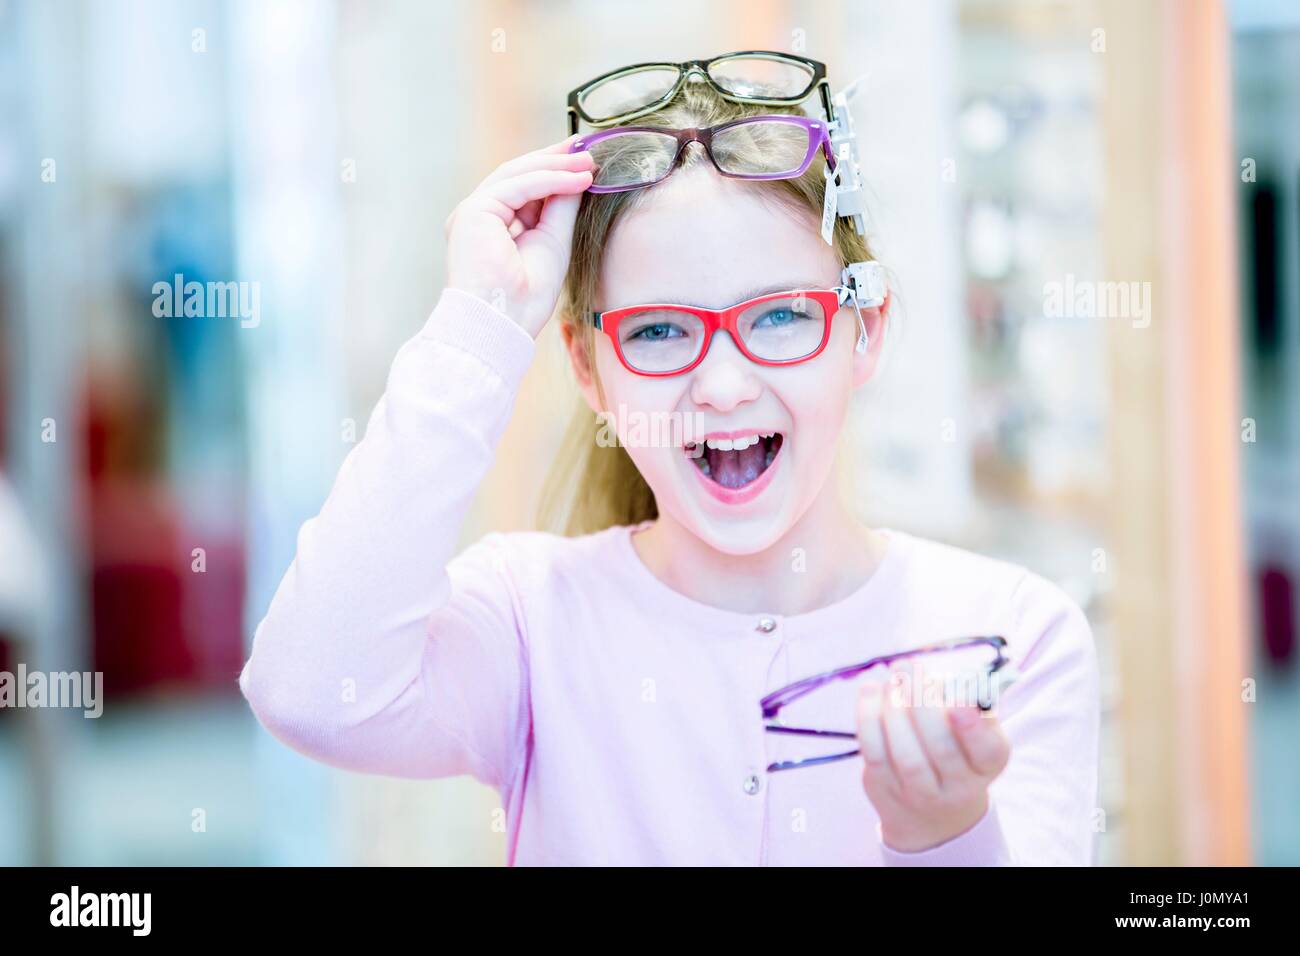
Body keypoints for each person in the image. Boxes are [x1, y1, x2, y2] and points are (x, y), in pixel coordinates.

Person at [238, 83, 1100, 866]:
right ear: (586, 366)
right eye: (656, 332)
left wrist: (943, 840)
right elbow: (310, 691)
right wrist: (477, 330)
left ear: (863, 332)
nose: (723, 384)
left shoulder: (1014, 635)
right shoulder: (531, 621)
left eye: (781, 316)